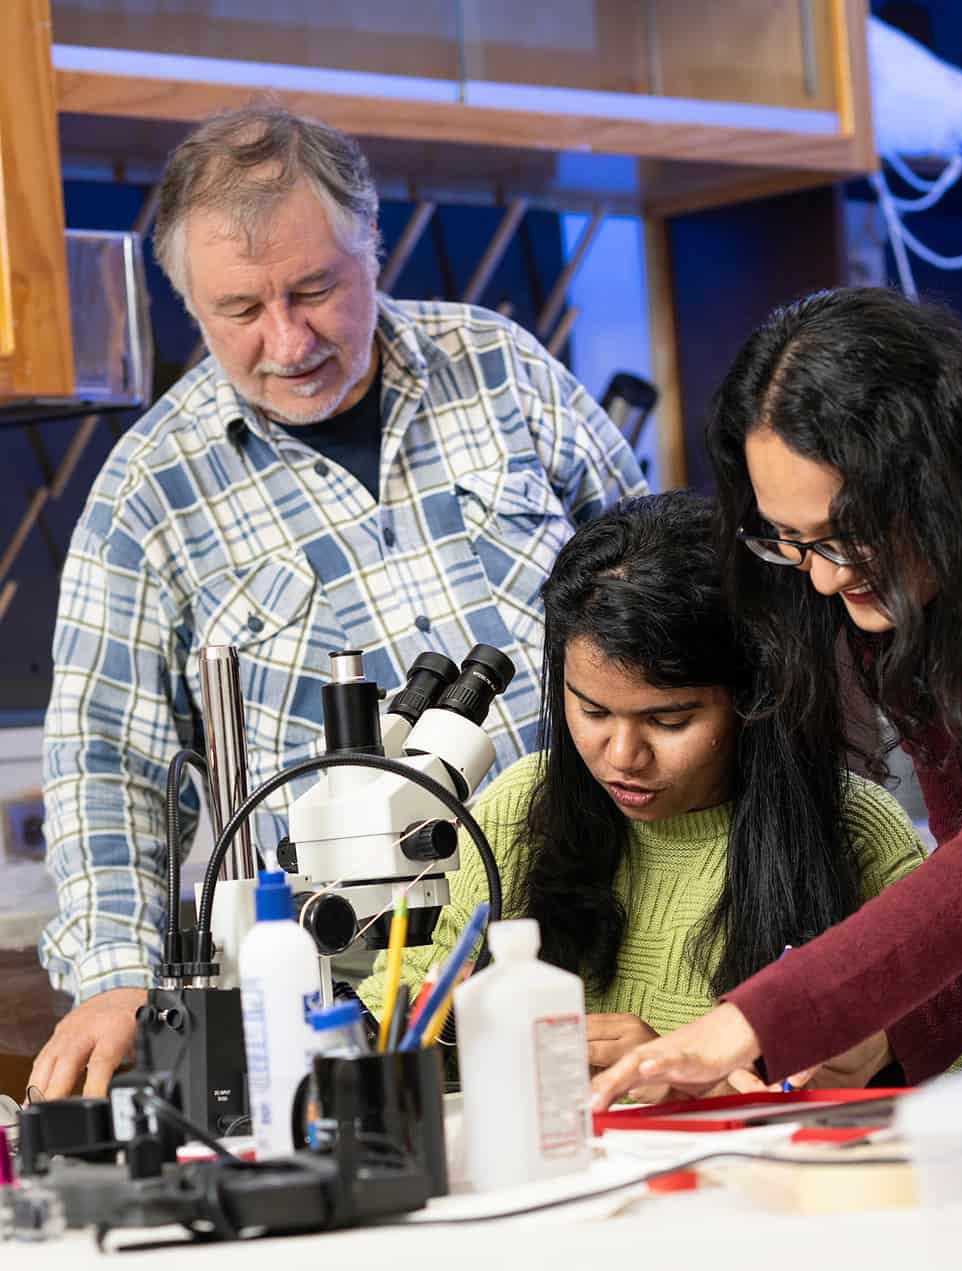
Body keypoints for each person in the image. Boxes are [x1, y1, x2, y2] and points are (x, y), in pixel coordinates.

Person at [32, 104, 644, 1101]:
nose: (288, 339)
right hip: (354, 1007)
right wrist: (116, 980)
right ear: (189, 306)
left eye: (316, 289)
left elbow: (666, 602)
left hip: (614, 940)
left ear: (374, 244)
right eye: (240, 311)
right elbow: (105, 760)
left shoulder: (499, 370)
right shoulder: (152, 488)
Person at [592, 287, 962, 1108]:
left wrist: (757, 1016)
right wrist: (882, 1036)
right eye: (792, 540)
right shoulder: (909, 589)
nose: (827, 574)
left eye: (849, 532)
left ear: (942, 473)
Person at [361, 491, 962, 1085]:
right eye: (593, 712)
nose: (623, 756)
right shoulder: (518, 810)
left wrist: (684, 1068)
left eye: (669, 720)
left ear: (754, 697)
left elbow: (961, 1063)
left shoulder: (854, 831)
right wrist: (455, 1033)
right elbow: (402, 1004)